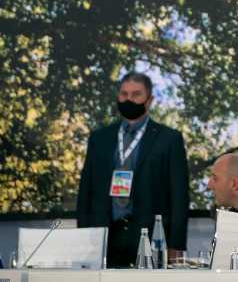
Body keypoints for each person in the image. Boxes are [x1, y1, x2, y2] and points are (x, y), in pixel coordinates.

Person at [77, 72, 189, 267]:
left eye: (136, 94)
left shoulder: (169, 139)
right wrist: (85, 236)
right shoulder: (99, 138)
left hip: (150, 236)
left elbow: (179, 196)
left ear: (150, 99)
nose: (129, 99)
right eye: (124, 94)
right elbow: (85, 191)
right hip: (104, 237)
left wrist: (175, 245)